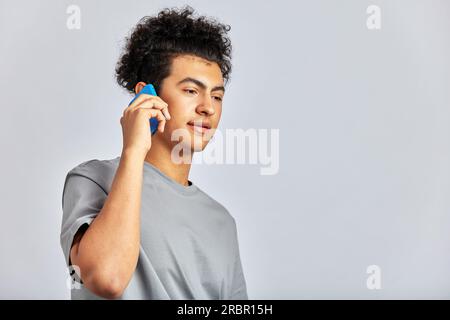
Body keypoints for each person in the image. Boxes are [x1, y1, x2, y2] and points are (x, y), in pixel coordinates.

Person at [60, 6, 248, 300]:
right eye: (190, 91)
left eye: (217, 95)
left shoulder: (222, 221)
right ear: (146, 95)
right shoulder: (92, 179)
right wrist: (134, 150)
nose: (208, 107)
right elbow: (104, 278)